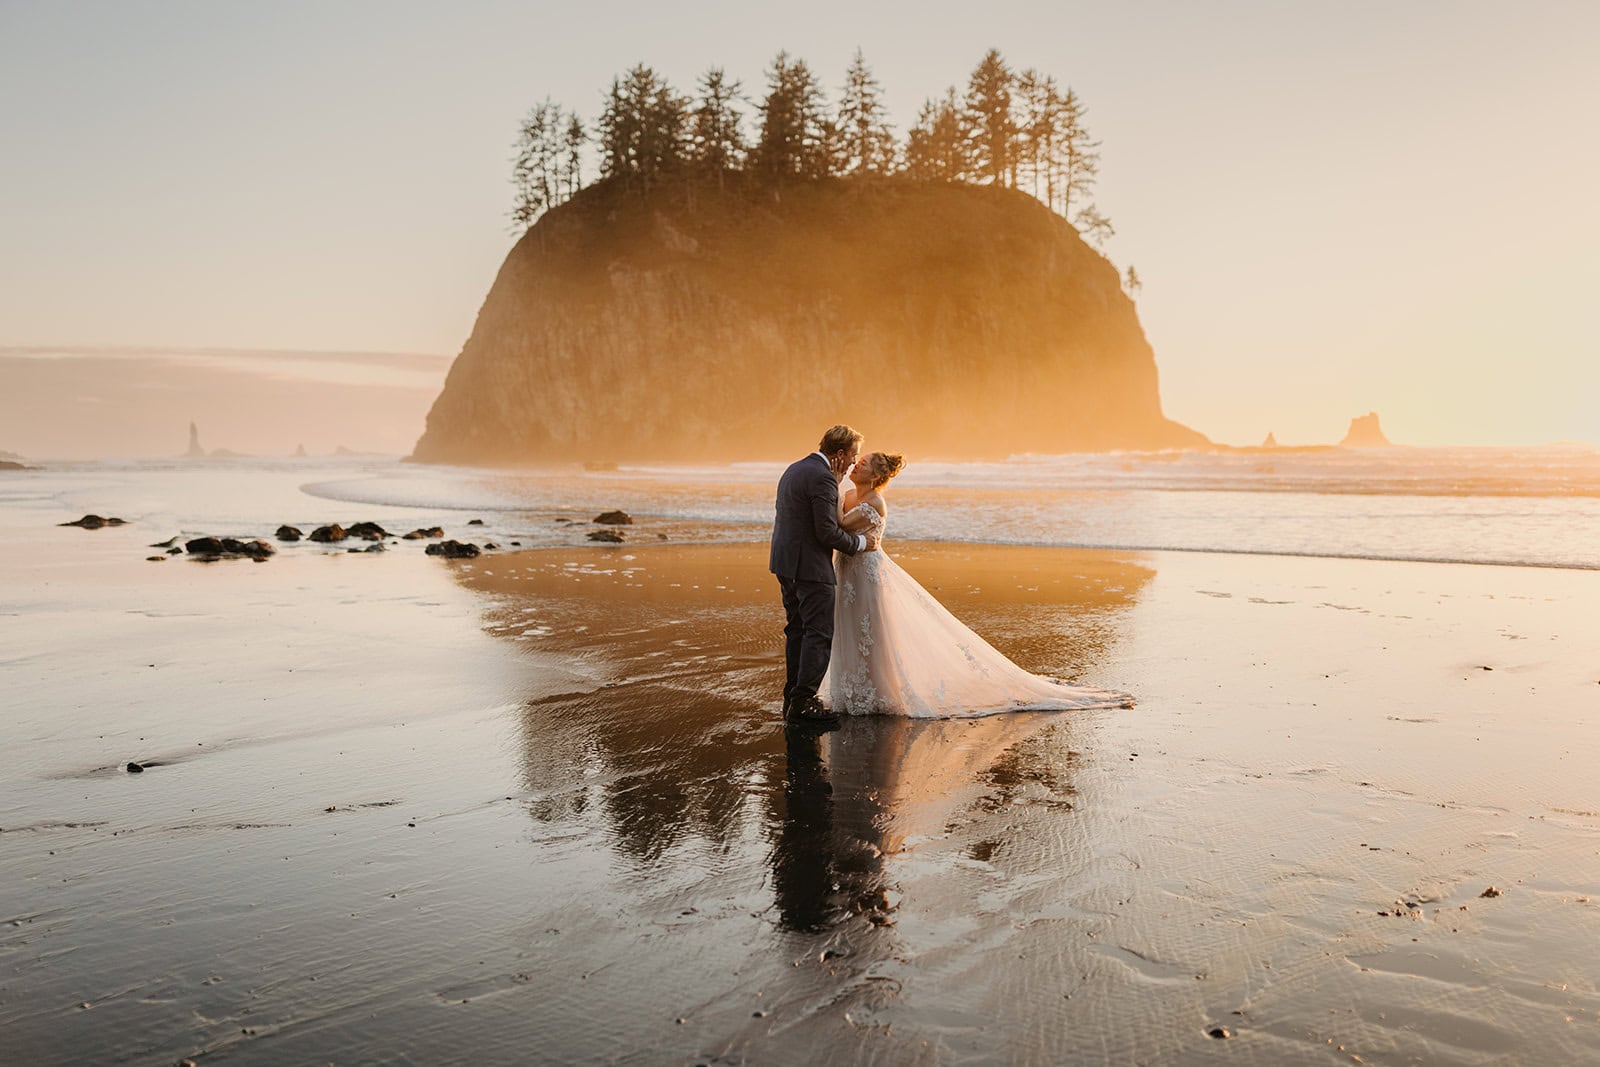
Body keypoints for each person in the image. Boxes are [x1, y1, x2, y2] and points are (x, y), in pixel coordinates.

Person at [824, 451, 1134, 717]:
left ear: (875, 475)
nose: (855, 465)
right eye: (857, 461)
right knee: (850, 628)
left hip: (866, 575)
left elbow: (838, 524)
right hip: (849, 571)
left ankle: (878, 692)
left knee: (871, 630)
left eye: (861, 463)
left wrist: (834, 483)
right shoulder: (851, 495)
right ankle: (854, 690)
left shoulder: (875, 502)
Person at [770, 425, 881, 726]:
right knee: (818, 633)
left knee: (797, 630)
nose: (853, 462)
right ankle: (804, 703)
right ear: (840, 454)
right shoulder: (822, 477)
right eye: (853, 455)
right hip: (809, 568)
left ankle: (793, 696)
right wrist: (860, 543)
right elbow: (826, 532)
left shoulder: (796, 468)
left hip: (785, 562)